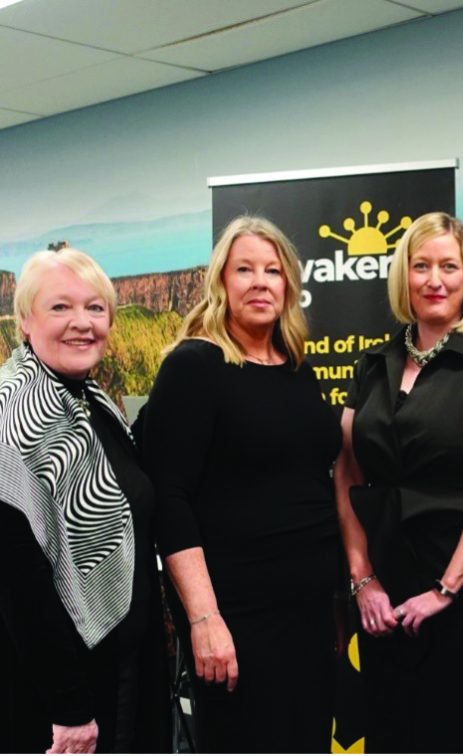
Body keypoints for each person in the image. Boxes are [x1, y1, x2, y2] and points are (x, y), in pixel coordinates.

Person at [139, 216, 343, 753]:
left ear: (289, 284)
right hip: (239, 621)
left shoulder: (295, 366)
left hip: (310, 615)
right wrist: (205, 619)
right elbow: (170, 497)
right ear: (221, 283)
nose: (260, 282)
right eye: (245, 269)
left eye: (273, 271)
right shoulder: (195, 366)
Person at [334, 212, 463, 753]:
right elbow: (348, 473)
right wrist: (363, 580)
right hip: (383, 603)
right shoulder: (373, 364)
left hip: (462, 598)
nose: (434, 279)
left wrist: (445, 591)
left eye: (449, 266)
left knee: (460, 733)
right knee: (392, 734)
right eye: (421, 266)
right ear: (405, 277)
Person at [0, 249, 169, 754]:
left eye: (95, 308)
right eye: (60, 308)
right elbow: (18, 586)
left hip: (120, 672)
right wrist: (69, 709)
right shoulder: (16, 421)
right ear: (25, 321)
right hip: (56, 702)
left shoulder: (91, 404)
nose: (82, 323)